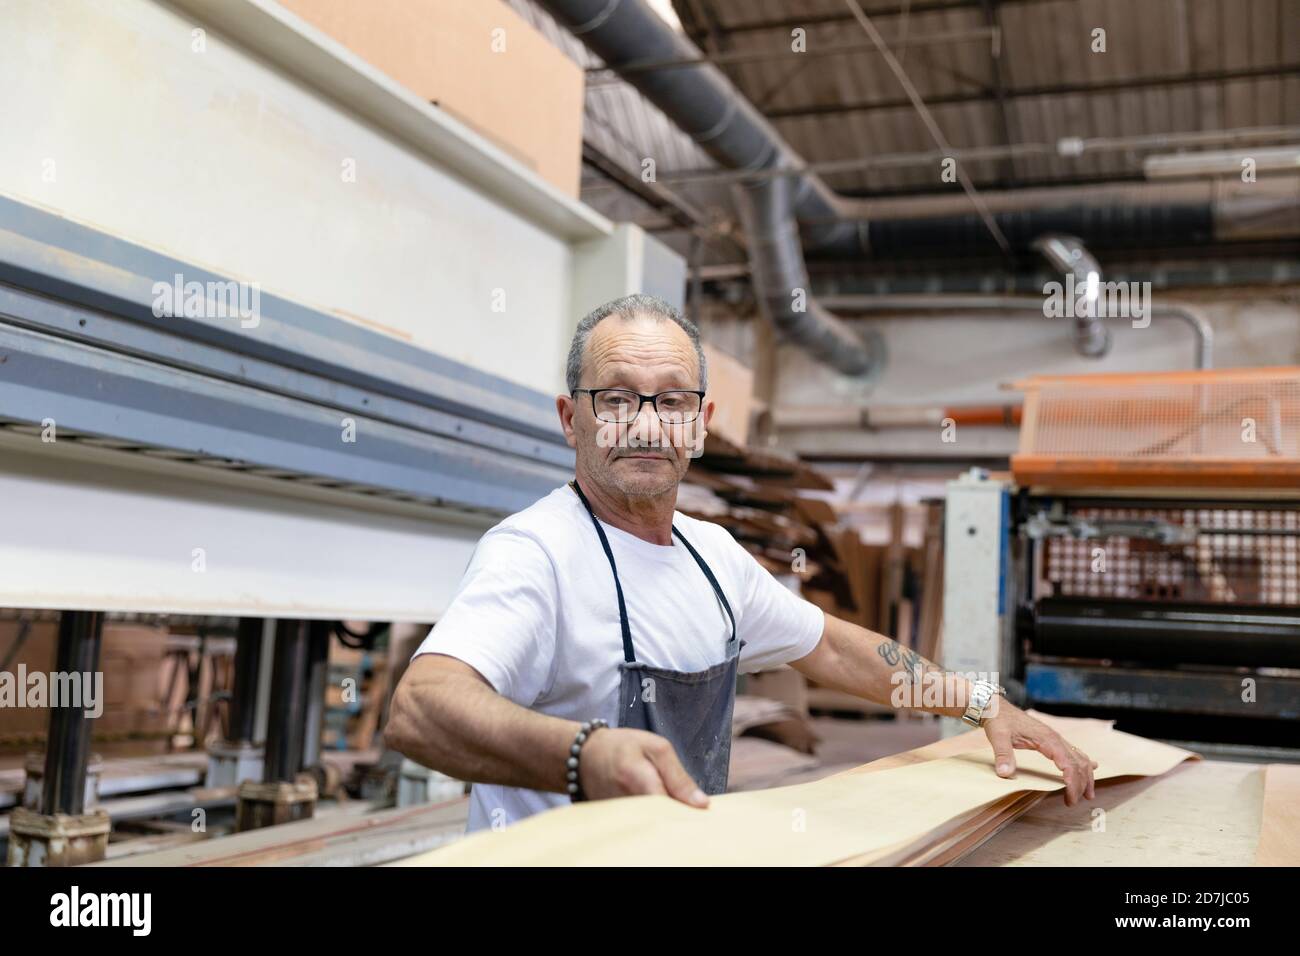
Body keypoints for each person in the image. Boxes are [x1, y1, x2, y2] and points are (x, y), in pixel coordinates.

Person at [385, 294, 1097, 832]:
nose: (644, 425)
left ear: (699, 422)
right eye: (617, 399)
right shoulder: (536, 553)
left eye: (670, 401)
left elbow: (840, 652)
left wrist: (980, 704)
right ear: (573, 419)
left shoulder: (712, 556)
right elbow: (420, 710)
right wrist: (583, 756)